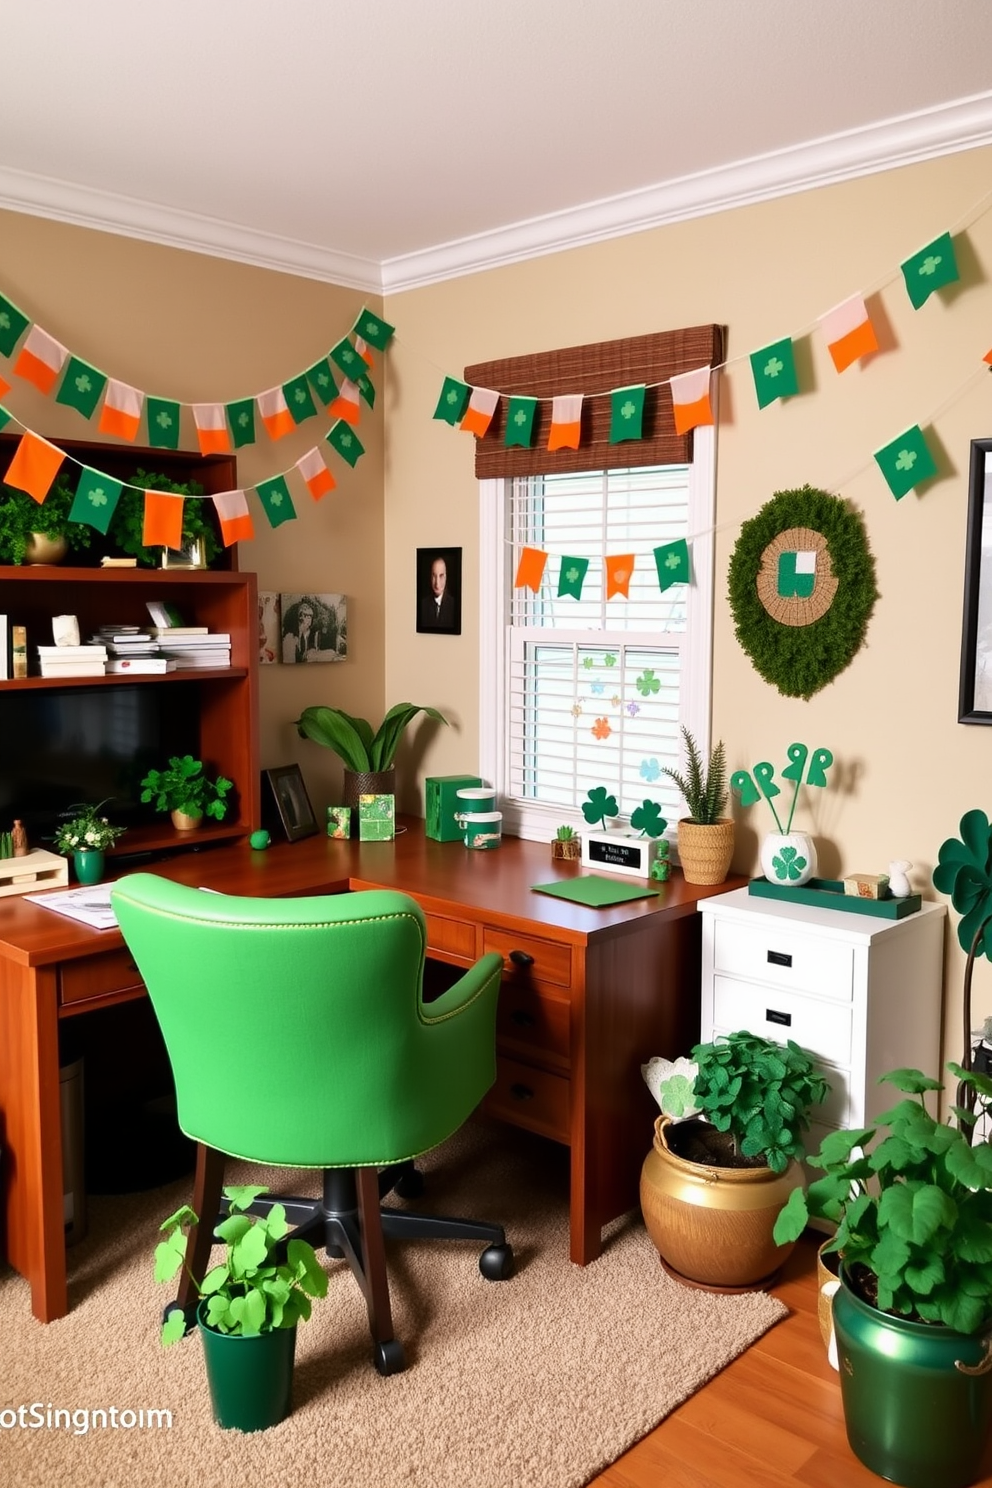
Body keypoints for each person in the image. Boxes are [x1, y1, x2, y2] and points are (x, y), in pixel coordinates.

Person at [419, 556, 457, 629]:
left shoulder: (454, 606)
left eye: (441, 576)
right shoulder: (422, 605)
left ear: (446, 578)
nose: (437, 583)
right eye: (434, 576)